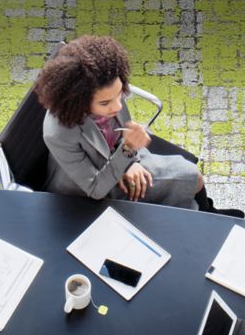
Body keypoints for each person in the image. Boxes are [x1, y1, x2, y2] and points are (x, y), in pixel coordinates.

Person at [33, 34, 212, 209]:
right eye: (105, 103)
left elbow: (120, 133)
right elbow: (95, 188)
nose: (117, 107)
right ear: (78, 100)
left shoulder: (107, 89)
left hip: (119, 158)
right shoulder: (59, 132)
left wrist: (132, 162)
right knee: (191, 177)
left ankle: (208, 212)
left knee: (190, 177)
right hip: (88, 191)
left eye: (120, 94)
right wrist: (128, 152)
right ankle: (209, 215)